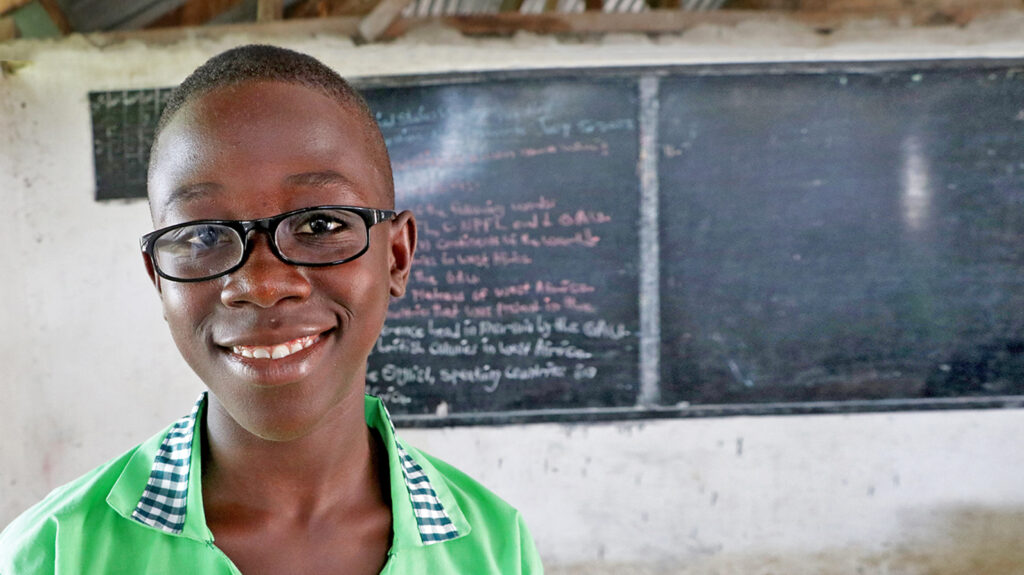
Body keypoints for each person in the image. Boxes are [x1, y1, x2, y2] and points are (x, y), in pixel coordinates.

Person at [0, 44, 543, 574]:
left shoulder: (495, 550)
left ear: (396, 256)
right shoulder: (50, 555)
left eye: (321, 225)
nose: (260, 283)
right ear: (158, 280)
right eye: (203, 234)